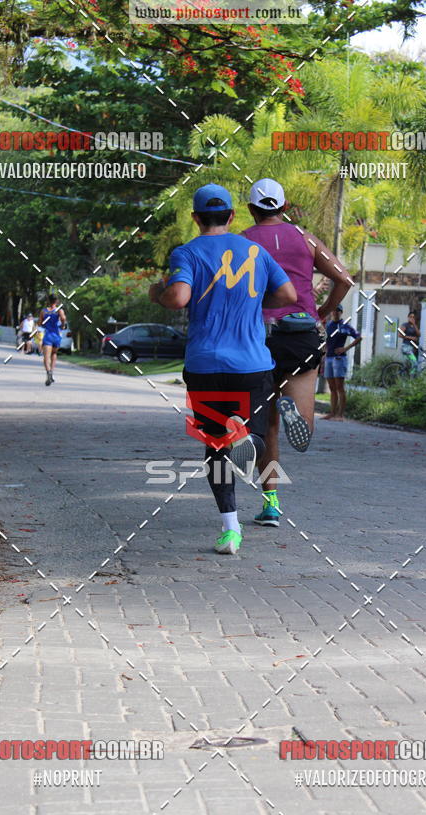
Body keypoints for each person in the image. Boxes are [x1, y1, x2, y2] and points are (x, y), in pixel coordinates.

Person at [149, 183, 296, 555]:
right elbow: (289, 296)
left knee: (215, 447)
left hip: (205, 365)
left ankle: (230, 530)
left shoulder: (187, 252)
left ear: (196, 218)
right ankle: (245, 441)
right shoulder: (256, 252)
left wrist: (158, 294)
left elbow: (179, 296)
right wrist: (253, 299)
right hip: (252, 364)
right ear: (232, 216)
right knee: (255, 436)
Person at [241, 178, 352, 526]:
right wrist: (320, 314)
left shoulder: (242, 241)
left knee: (264, 427)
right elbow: (344, 280)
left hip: (257, 336)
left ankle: (271, 503)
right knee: (300, 418)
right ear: (285, 207)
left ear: (250, 209)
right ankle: (298, 415)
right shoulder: (305, 238)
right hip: (302, 333)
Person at [324, 304, 362, 420]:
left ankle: (340, 414)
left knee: (339, 386)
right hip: (328, 358)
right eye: (334, 310)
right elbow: (326, 341)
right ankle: (332, 413)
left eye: (338, 311)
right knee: (332, 387)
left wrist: (345, 348)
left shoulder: (344, 326)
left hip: (339, 359)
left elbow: (358, 337)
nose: (335, 312)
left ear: (341, 312)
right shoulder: (328, 325)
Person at [38, 294, 66, 385]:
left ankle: (49, 372)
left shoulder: (44, 311)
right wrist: (62, 325)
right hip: (57, 336)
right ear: (56, 301)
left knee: (46, 357)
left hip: (48, 336)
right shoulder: (59, 310)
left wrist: (44, 324)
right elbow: (63, 318)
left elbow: (40, 323)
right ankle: (52, 372)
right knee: (54, 353)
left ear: (48, 301)